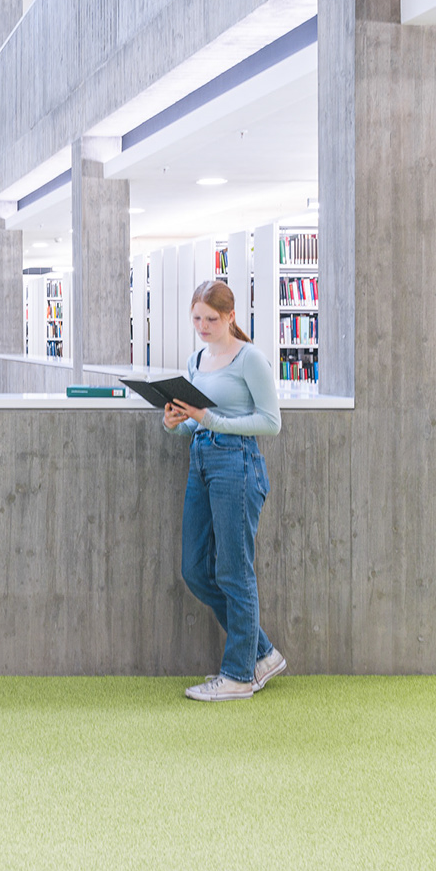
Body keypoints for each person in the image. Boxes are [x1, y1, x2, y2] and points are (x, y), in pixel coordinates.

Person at [162, 278, 284, 702]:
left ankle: (238, 675)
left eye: (211, 319)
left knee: (234, 571)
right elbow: (198, 422)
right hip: (202, 459)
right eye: (196, 318)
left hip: (237, 464)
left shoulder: (250, 358)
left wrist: (210, 421)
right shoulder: (197, 359)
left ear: (231, 316)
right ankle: (262, 653)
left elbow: (271, 422)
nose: (203, 327)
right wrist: (176, 422)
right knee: (196, 569)